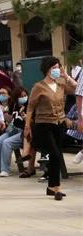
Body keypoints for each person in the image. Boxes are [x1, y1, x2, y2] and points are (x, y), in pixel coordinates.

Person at [24, 57, 78, 200]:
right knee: (54, 153)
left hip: (59, 124)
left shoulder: (60, 84)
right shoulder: (38, 87)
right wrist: (27, 125)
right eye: (54, 67)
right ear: (47, 69)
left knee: (56, 155)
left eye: (58, 67)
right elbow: (30, 107)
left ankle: (52, 187)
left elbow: (77, 88)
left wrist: (66, 76)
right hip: (44, 124)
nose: (57, 70)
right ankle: (56, 188)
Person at [0, 86, 28, 177]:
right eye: (20, 96)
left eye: (24, 96)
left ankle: (5, 169)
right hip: (13, 129)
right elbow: (10, 120)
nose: (23, 98)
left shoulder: (28, 106)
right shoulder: (15, 105)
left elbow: (30, 122)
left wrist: (24, 115)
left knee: (6, 143)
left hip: (23, 132)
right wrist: (3, 113)